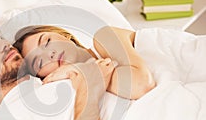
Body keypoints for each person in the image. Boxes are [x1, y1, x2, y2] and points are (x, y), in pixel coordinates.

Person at [13, 25, 156, 100]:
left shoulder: (103, 38)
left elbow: (142, 84)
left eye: (47, 41)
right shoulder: (74, 90)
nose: (50, 54)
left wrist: (81, 70)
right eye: (40, 63)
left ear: (64, 35)